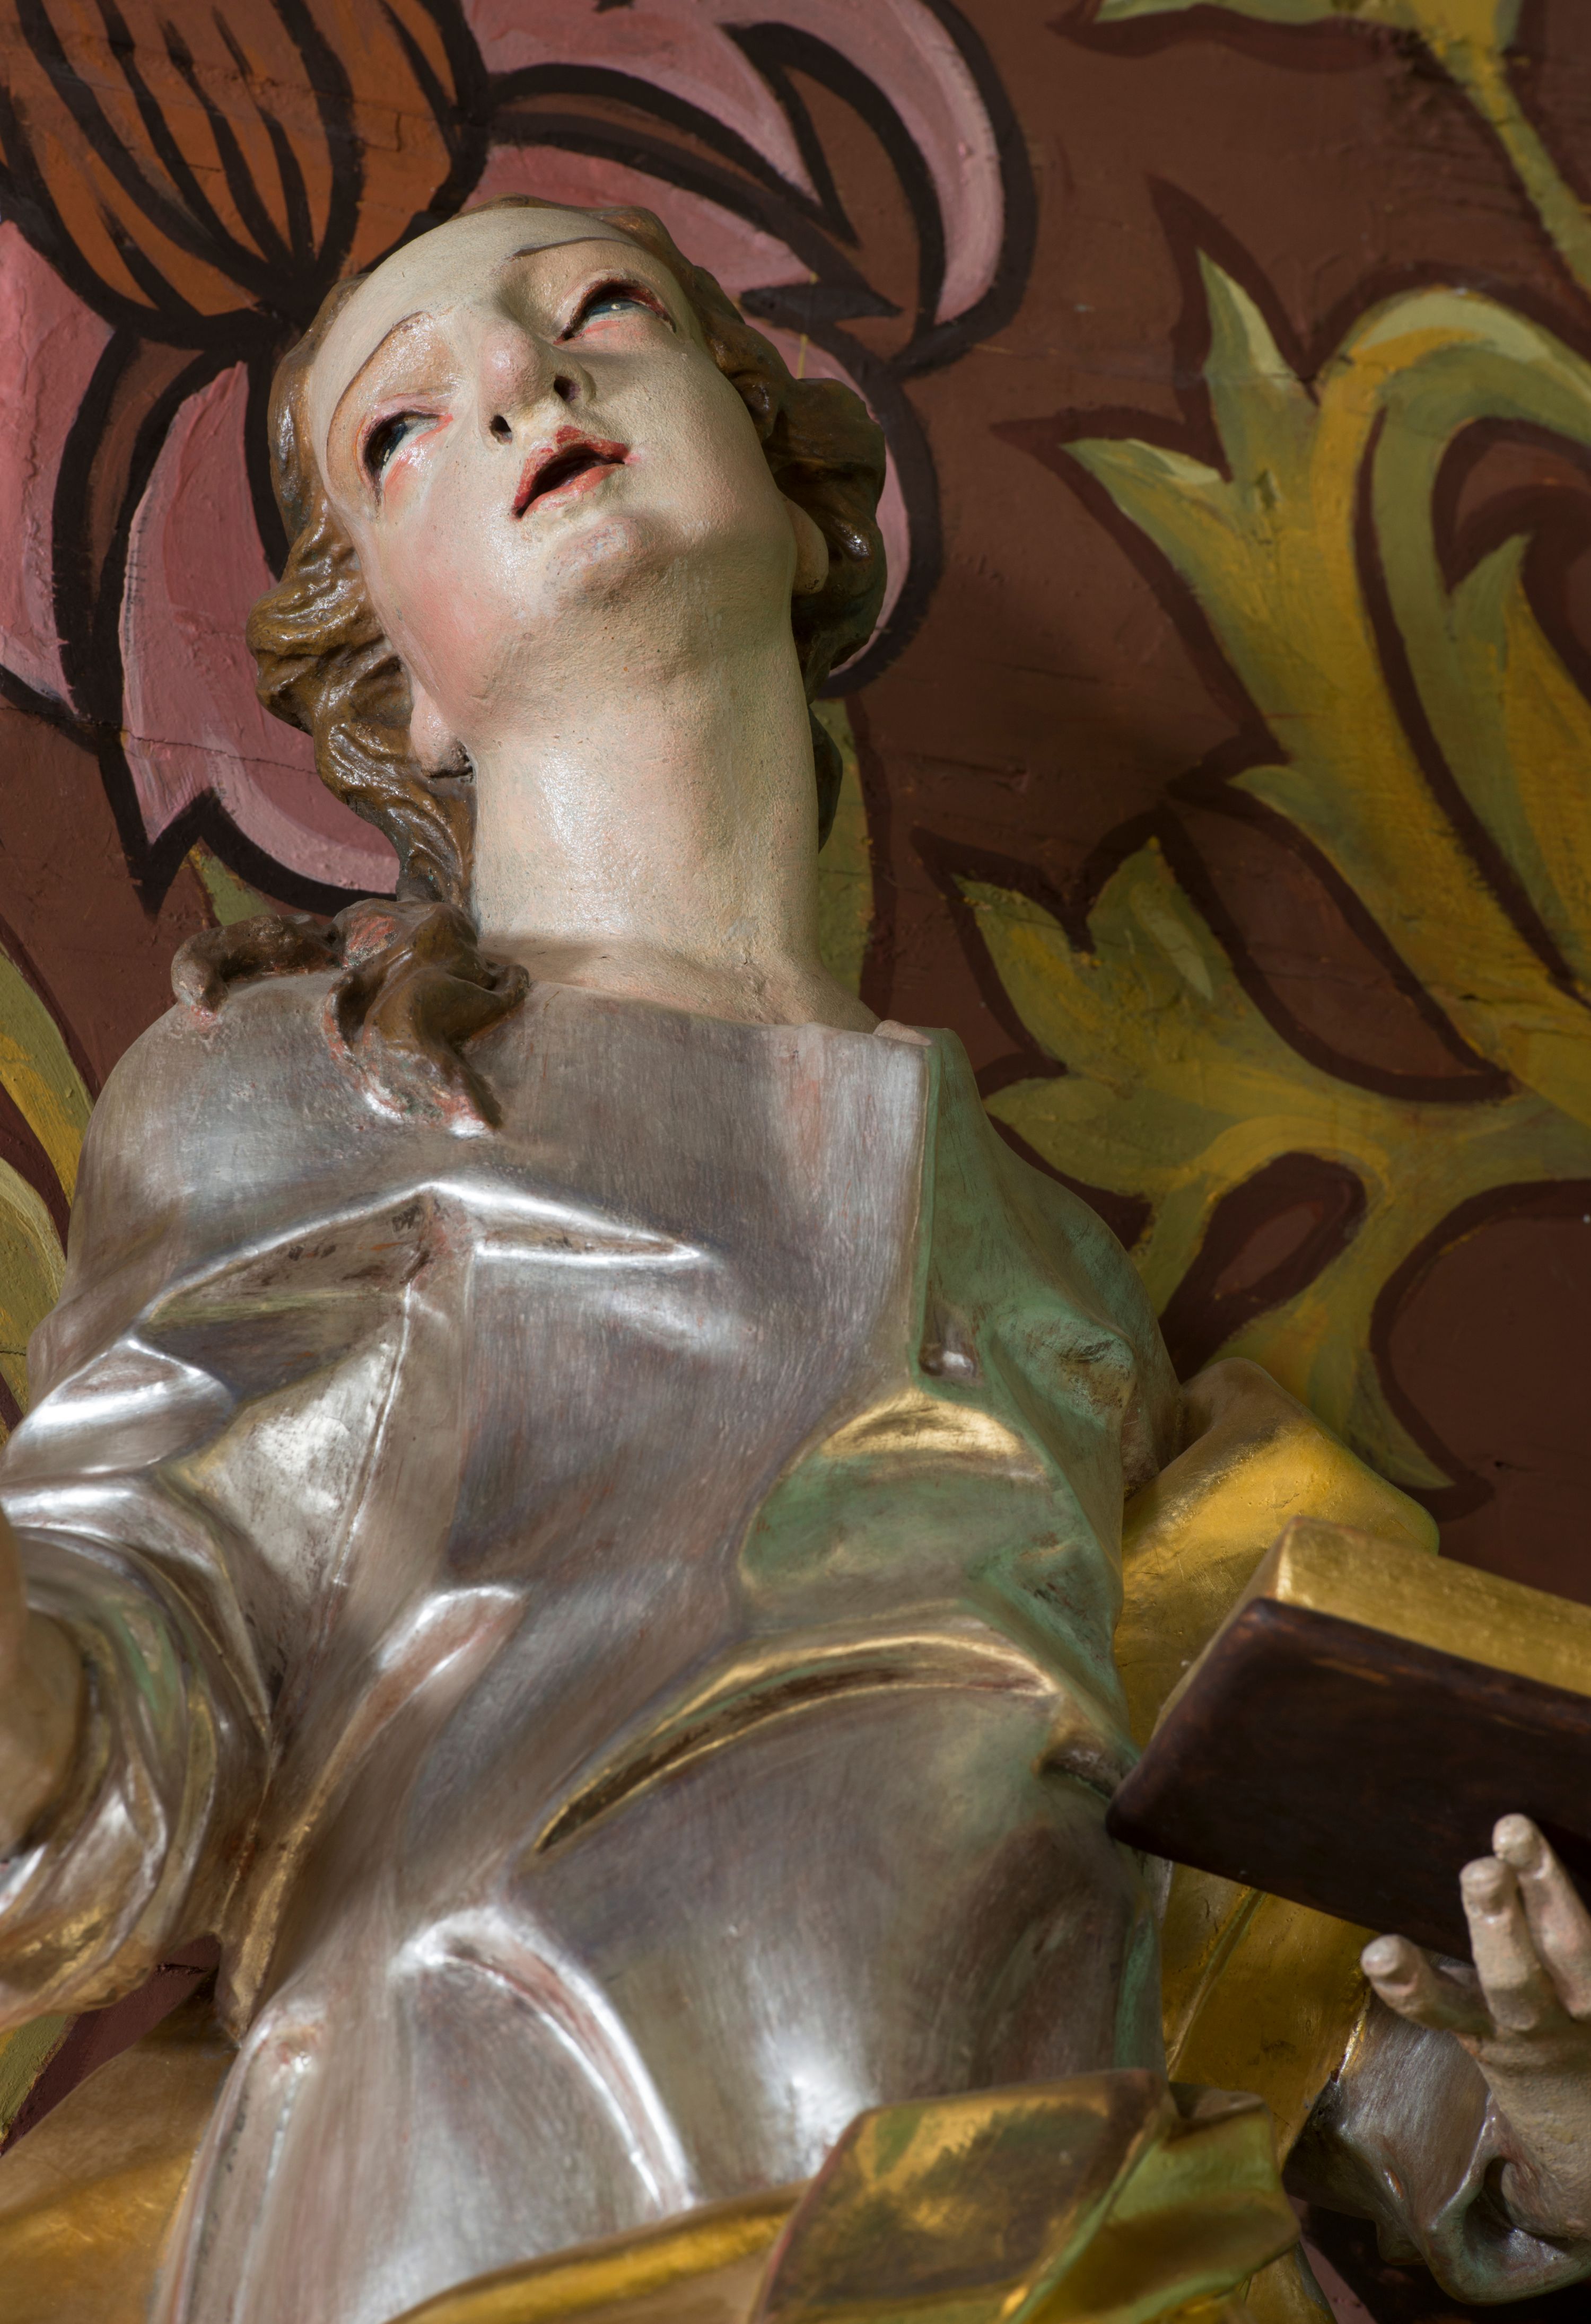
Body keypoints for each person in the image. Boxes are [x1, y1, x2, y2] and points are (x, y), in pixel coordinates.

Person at [0, 196, 1588, 2324]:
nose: (525, 381)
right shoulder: (306, 1091)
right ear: (398, 677)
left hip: (1062, 2257)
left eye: (605, 309)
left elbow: (1222, 1944)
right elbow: (120, 1702)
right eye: (406, 427)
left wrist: (1535, 2113)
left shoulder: (1059, 1272)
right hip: (522, 2210)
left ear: (781, 471)